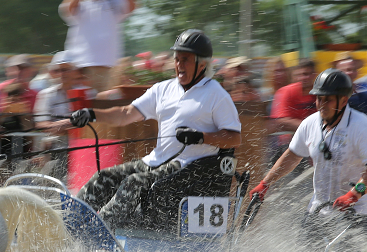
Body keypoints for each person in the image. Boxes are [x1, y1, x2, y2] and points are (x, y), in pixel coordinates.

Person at [43, 30, 241, 230]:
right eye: (177, 59)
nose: (179, 65)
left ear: (202, 63)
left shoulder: (217, 94)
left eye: (186, 60)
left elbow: (234, 139)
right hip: (155, 162)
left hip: (187, 167)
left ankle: (97, 230)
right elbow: (126, 113)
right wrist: (92, 114)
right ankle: (68, 226)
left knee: (135, 183)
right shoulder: (163, 89)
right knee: (104, 178)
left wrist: (201, 137)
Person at [249, 69, 367, 252]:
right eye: (318, 98)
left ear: (343, 100)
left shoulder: (360, 126)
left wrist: (354, 194)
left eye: (327, 99)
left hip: (355, 210)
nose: (320, 103)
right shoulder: (310, 124)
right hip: (320, 206)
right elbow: (291, 156)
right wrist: (265, 183)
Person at [59, 0, 137, 93]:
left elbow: (133, 6)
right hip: (82, 66)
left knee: (105, 106)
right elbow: (67, 9)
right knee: (85, 107)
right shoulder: (81, 1)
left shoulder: (114, 2)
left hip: (109, 66)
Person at [268, 58, 317, 164]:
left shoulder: (319, 93)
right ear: (295, 75)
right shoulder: (286, 91)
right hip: (288, 144)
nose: (305, 78)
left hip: (312, 142)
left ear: (314, 75)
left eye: (308, 74)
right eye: (302, 74)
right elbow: (282, 121)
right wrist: (314, 130)